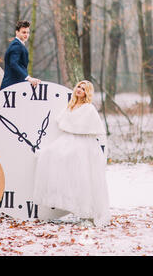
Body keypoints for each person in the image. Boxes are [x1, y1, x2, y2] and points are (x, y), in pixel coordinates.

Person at [32, 80, 111, 227]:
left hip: (82, 144)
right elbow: (63, 123)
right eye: (78, 87)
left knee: (83, 179)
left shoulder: (88, 108)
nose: (79, 90)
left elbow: (92, 130)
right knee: (48, 155)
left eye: (83, 88)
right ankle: (64, 200)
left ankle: (87, 214)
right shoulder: (71, 106)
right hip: (68, 140)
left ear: (87, 92)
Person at [0, 20, 41, 90]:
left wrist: (29, 78)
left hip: (15, 86)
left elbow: (19, 67)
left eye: (28, 32)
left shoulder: (18, 45)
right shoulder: (16, 45)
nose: (26, 35)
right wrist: (29, 78)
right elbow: (14, 64)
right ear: (17, 32)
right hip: (11, 87)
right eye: (24, 32)